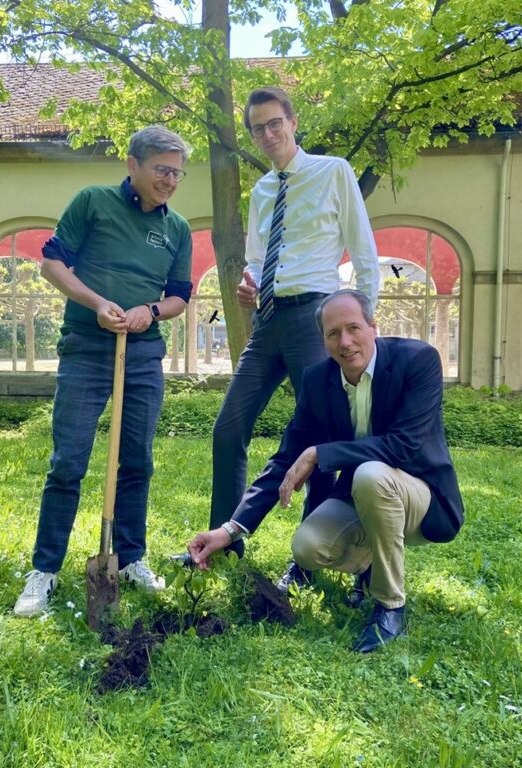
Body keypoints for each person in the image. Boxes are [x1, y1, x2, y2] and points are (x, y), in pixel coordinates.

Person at [187, 290, 464, 652]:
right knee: (307, 548)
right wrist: (230, 528)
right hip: (365, 496)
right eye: (333, 334)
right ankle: (369, 566)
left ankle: (388, 605)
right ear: (323, 340)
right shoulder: (319, 380)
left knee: (370, 475)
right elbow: (287, 459)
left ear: (373, 326)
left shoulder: (417, 360)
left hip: (422, 498)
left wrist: (321, 453)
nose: (345, 342)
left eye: (353, 328)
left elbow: (402, 446)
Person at [14, 126, 193, 617]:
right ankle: (44, 572)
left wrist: (151, 312)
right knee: (68, 461)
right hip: (86, 348)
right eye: (161, 169)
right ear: (132, 164)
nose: (170, 180)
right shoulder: (92, 202)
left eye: (177, 173)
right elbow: (52, 264)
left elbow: (180, 293)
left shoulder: (176, 228)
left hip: (142, 354)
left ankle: (131, 557)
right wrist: (97, 303)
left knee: (137, 460)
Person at [209, 87, 380, 593]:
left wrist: (363, 321)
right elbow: (260, 258)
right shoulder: (263, 191)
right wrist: (249, 280)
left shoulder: (334, 172)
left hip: (315, 316)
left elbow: (365, 252)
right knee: (227, 427)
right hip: (269, 322)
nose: (268, 134)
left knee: (318, 439)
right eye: (258, 128)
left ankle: (307, 562)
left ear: (293, 121)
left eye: (274, 123)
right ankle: (227, 538)